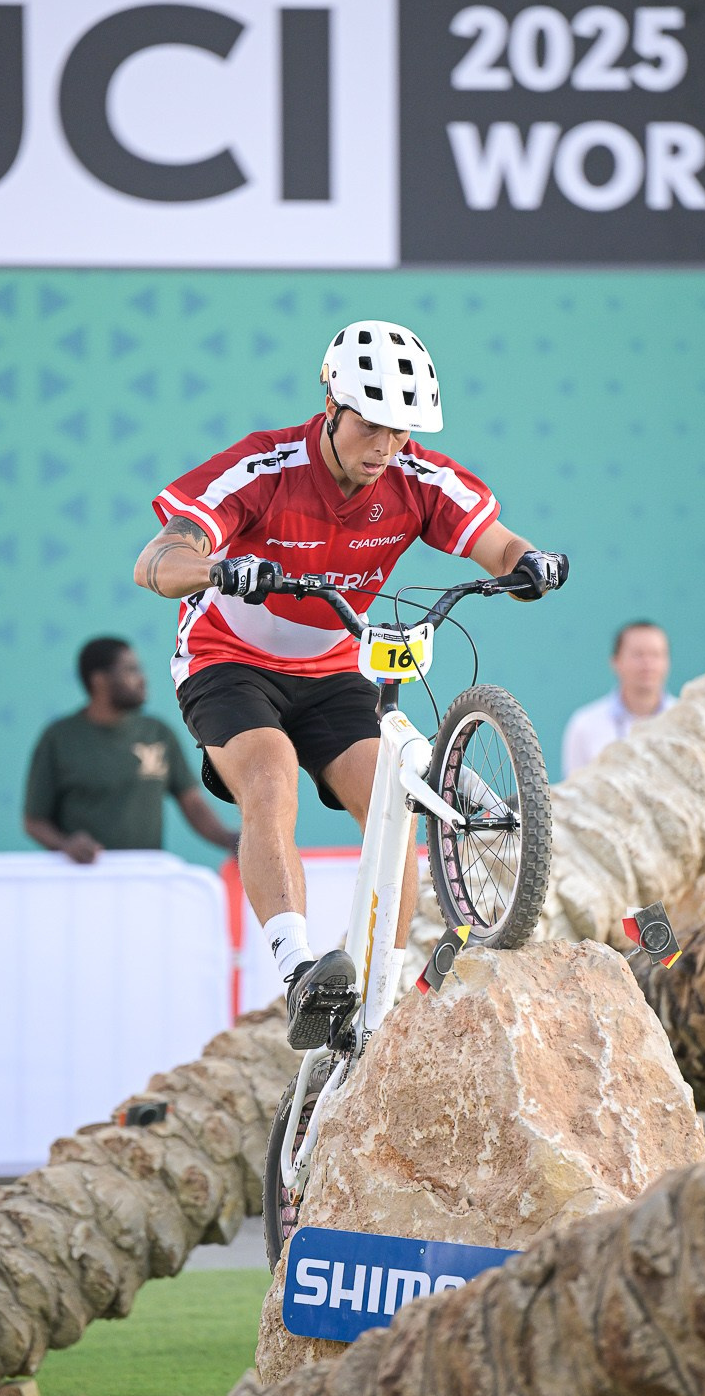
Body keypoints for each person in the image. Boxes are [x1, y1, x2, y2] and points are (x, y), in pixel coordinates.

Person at [133, 319, 568, 1048]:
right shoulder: (261, 469)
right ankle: (301, 968)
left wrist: (528, 564)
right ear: (331, 405)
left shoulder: (415, 477)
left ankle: (379, 998)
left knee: (392, 802)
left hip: (335, 670)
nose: (385, 448)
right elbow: (156, 560)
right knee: (272, 781)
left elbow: (495, 542)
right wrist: (214, 567)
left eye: (401, 433)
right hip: (226, 660)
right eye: (371, 427)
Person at [23, 636, 238, 863]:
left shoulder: (157, 733)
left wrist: (231, 840)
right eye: (131, 670)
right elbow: (34, 821)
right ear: (99, 681)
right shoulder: (59, 738)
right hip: (81, 881)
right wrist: (65, 844)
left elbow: (192, 803)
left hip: (143, 879)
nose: (143, 679)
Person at [559, 620, 675, 778]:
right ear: (615, 661)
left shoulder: (686, 722)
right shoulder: (585, 725)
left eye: (656, 654)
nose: (648, 663)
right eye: (638, 654)